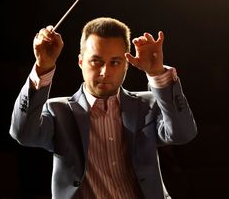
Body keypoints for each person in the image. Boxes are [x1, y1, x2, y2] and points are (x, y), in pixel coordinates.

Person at [10, 17, 197, 199]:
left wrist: (157, 74)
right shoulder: (58, 111)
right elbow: (23, 133)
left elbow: (183, 134)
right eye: (96, 61)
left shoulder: (148, 105)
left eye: (115, 62)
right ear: (81, 62)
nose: (105, 72)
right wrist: (43, 66)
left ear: (126, 65)